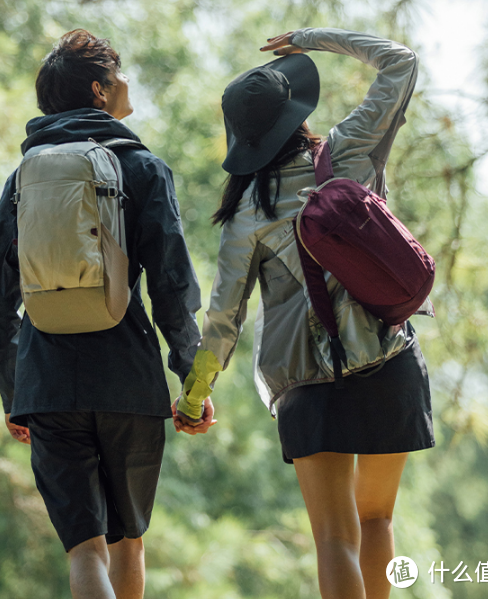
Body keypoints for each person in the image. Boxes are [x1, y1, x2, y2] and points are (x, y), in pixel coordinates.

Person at [174, 28, 435, 599]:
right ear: (297, 112)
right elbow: (400, 62)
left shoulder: (245, 213)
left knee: (333, 539)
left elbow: (223, 319)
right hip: (387, 360)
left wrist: (194, 395)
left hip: (306, 385)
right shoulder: (346, 151)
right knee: (378, 522)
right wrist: (311, 39)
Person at [0, 29, 207, 599]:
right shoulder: (144, 169)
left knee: (85, 552)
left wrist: (15, 393)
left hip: (48, 384)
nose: (127, 82)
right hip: (128, 379)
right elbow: (173, 288)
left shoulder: (24, 179)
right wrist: (190, 377)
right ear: (100, 91)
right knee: (128, 543)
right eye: (119, 73)